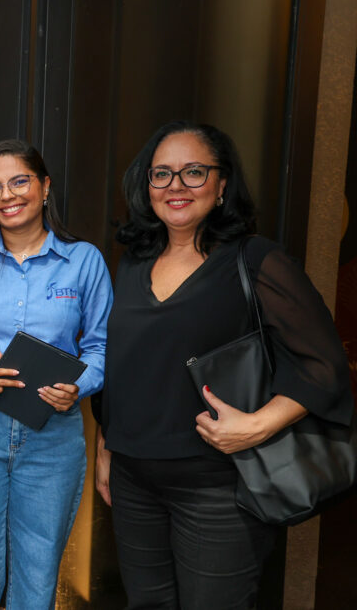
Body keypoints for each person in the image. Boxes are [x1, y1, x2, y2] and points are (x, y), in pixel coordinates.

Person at [95, 121, 354, 609]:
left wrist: (257, 426)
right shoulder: (131, 263)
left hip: (217, 485)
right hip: (133, 481)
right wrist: (106, 448)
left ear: (222, 186)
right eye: (161, 174)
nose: (175, 186)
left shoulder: (254, 260)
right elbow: (121, 365)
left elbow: (324, 364)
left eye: (194, 172)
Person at [0, 139, 112, 610]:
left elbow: (100, 346)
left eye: (19, 181)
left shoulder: (84, 261)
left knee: (36, 582)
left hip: (51, 436)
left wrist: (80, 385)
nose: (7, 195)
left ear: (45, 186)